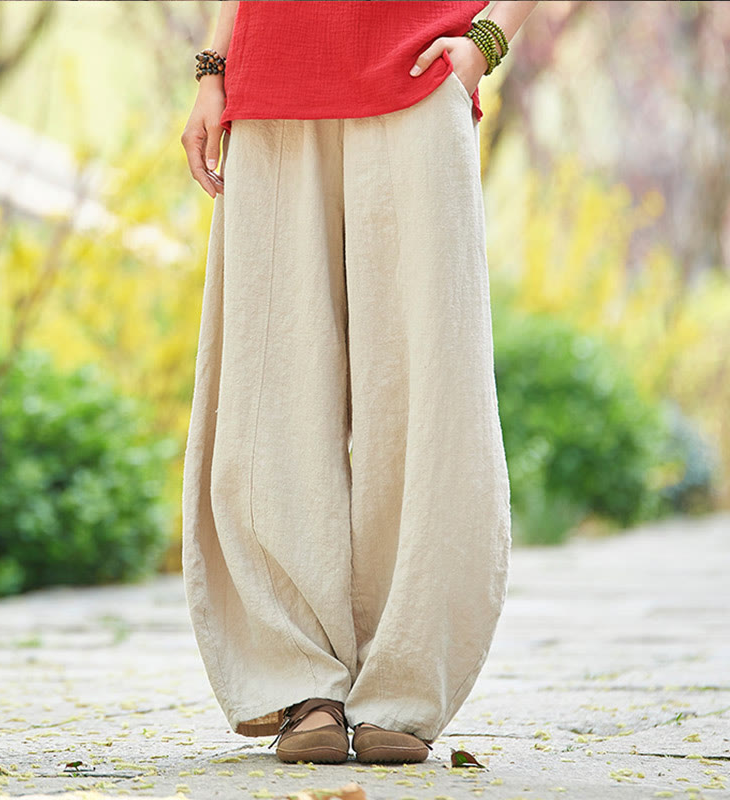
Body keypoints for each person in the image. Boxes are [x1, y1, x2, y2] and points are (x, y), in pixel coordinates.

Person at [180, 0, 538, 766]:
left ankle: (404, 682)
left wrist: (489, 35)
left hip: (417, 72)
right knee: (268, 385)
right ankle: (301, 678)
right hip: (271, 77)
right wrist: (213, 70)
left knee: (428, 391)